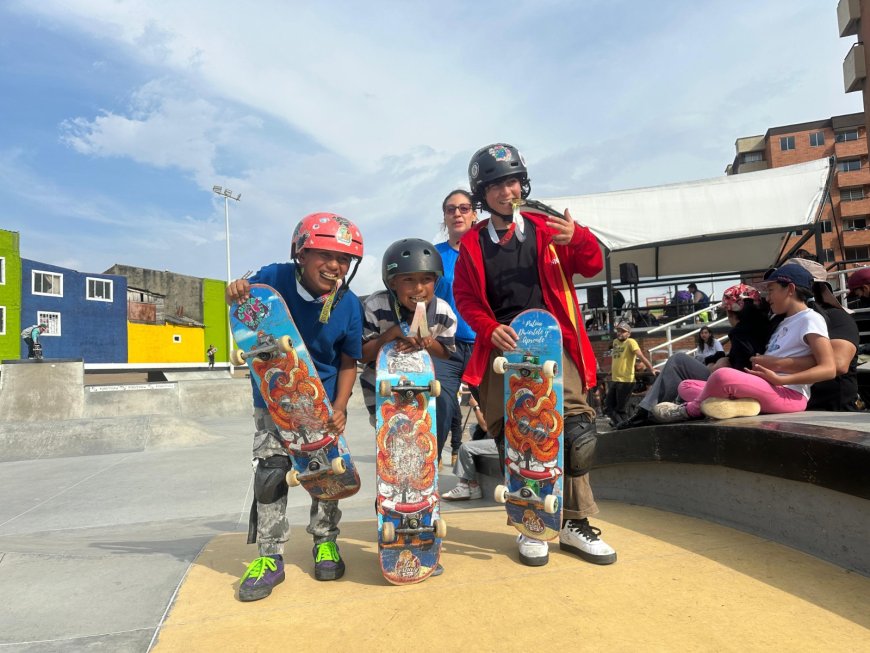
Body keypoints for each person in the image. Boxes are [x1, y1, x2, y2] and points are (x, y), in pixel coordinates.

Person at [453, 142, 616, 567]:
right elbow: (466, 297)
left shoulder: (547, 228)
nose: (507, 192)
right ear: (482, 195)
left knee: (577, 433)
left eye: (512, 182)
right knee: (521, 439)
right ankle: (531, 522)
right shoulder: (472, 244)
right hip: (502, 347)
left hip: (551, 340)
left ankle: (575, 523)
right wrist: (489, 329)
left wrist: (577, 237)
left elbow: (593, 263)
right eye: (496, 186)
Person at [224, 212, 364, 602]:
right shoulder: (273, 277)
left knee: (325, 473)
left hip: (320, 404)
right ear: (301, 253)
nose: (335, 266)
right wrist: (233, 292)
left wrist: (340, 406)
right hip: (272, 400)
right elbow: (238, 301)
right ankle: (270, 557)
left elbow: (350, 360)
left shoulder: (349, 304)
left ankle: (325, 541)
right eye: (325, 254)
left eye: (345, 259)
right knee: (271, 473)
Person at [653, 264, 836, 421]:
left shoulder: (810, 319)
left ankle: (690, 409)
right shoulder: (782, 321)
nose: (767, 298)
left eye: (771, 290)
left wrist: (781, 379)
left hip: (789, 393)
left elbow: (829, 368)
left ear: (790, 289)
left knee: (722, 376)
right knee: (686, 386)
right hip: (769, 387)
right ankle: (742, 405)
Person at [618, 284, 770, 429]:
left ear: (733, 312)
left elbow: (744, 367)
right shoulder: (759, 327)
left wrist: (722, 365)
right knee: (681, 365)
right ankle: (649, 411)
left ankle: (646, 412)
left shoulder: (741, 333)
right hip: (734, 383)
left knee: (678, 360)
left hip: (733, 387)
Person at [359, 238, 457, 427]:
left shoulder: (442, 312)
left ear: (435, 281)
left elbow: (446, 352)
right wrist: (392, 334)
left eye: (426, 279)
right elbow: (363, 356)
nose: (418, 288)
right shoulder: (376, 306)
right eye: (408, 279)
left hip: (421, 387)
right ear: (393, 283)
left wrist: (427, 341)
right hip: (381, 390)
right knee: (390, 439)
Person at [750, 258, 860, 412]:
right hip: (787, 404)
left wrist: (777, 364)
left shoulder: (836, 317)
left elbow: (837, 363)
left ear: (793, 287)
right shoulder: (783, 320)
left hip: (831, 412)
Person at [434, 189, 479, 466]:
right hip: (445, 347)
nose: (458, 213)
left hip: (482, 343)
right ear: (445, 217)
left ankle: (494, 471)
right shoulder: (433, 256)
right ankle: (426, 473)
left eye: (464, 208)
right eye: (451, 209)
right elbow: (420, 300)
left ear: (475, 214)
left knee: (495, 408)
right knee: (440, 403)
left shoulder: (489, 252)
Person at [604, 321, 657, 426]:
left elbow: (641, 356)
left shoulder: (631, 342)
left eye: (623, 331)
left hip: (626, 381)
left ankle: (624, 426)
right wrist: (611, 370)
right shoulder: (615, 342)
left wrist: (651, 368)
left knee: (620, 409)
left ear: (628, 334)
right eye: (618, 331)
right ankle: (622, 425)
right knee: (608, 407)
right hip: (615, 379)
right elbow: (617, 359)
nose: (620, 333)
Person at [442, 393, 491, 501]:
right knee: (473, 429)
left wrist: (476, 406)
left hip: (501, 442)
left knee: (465, 447)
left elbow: (485, 426)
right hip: (494, 438)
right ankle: (473, 486)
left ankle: (463, 486)